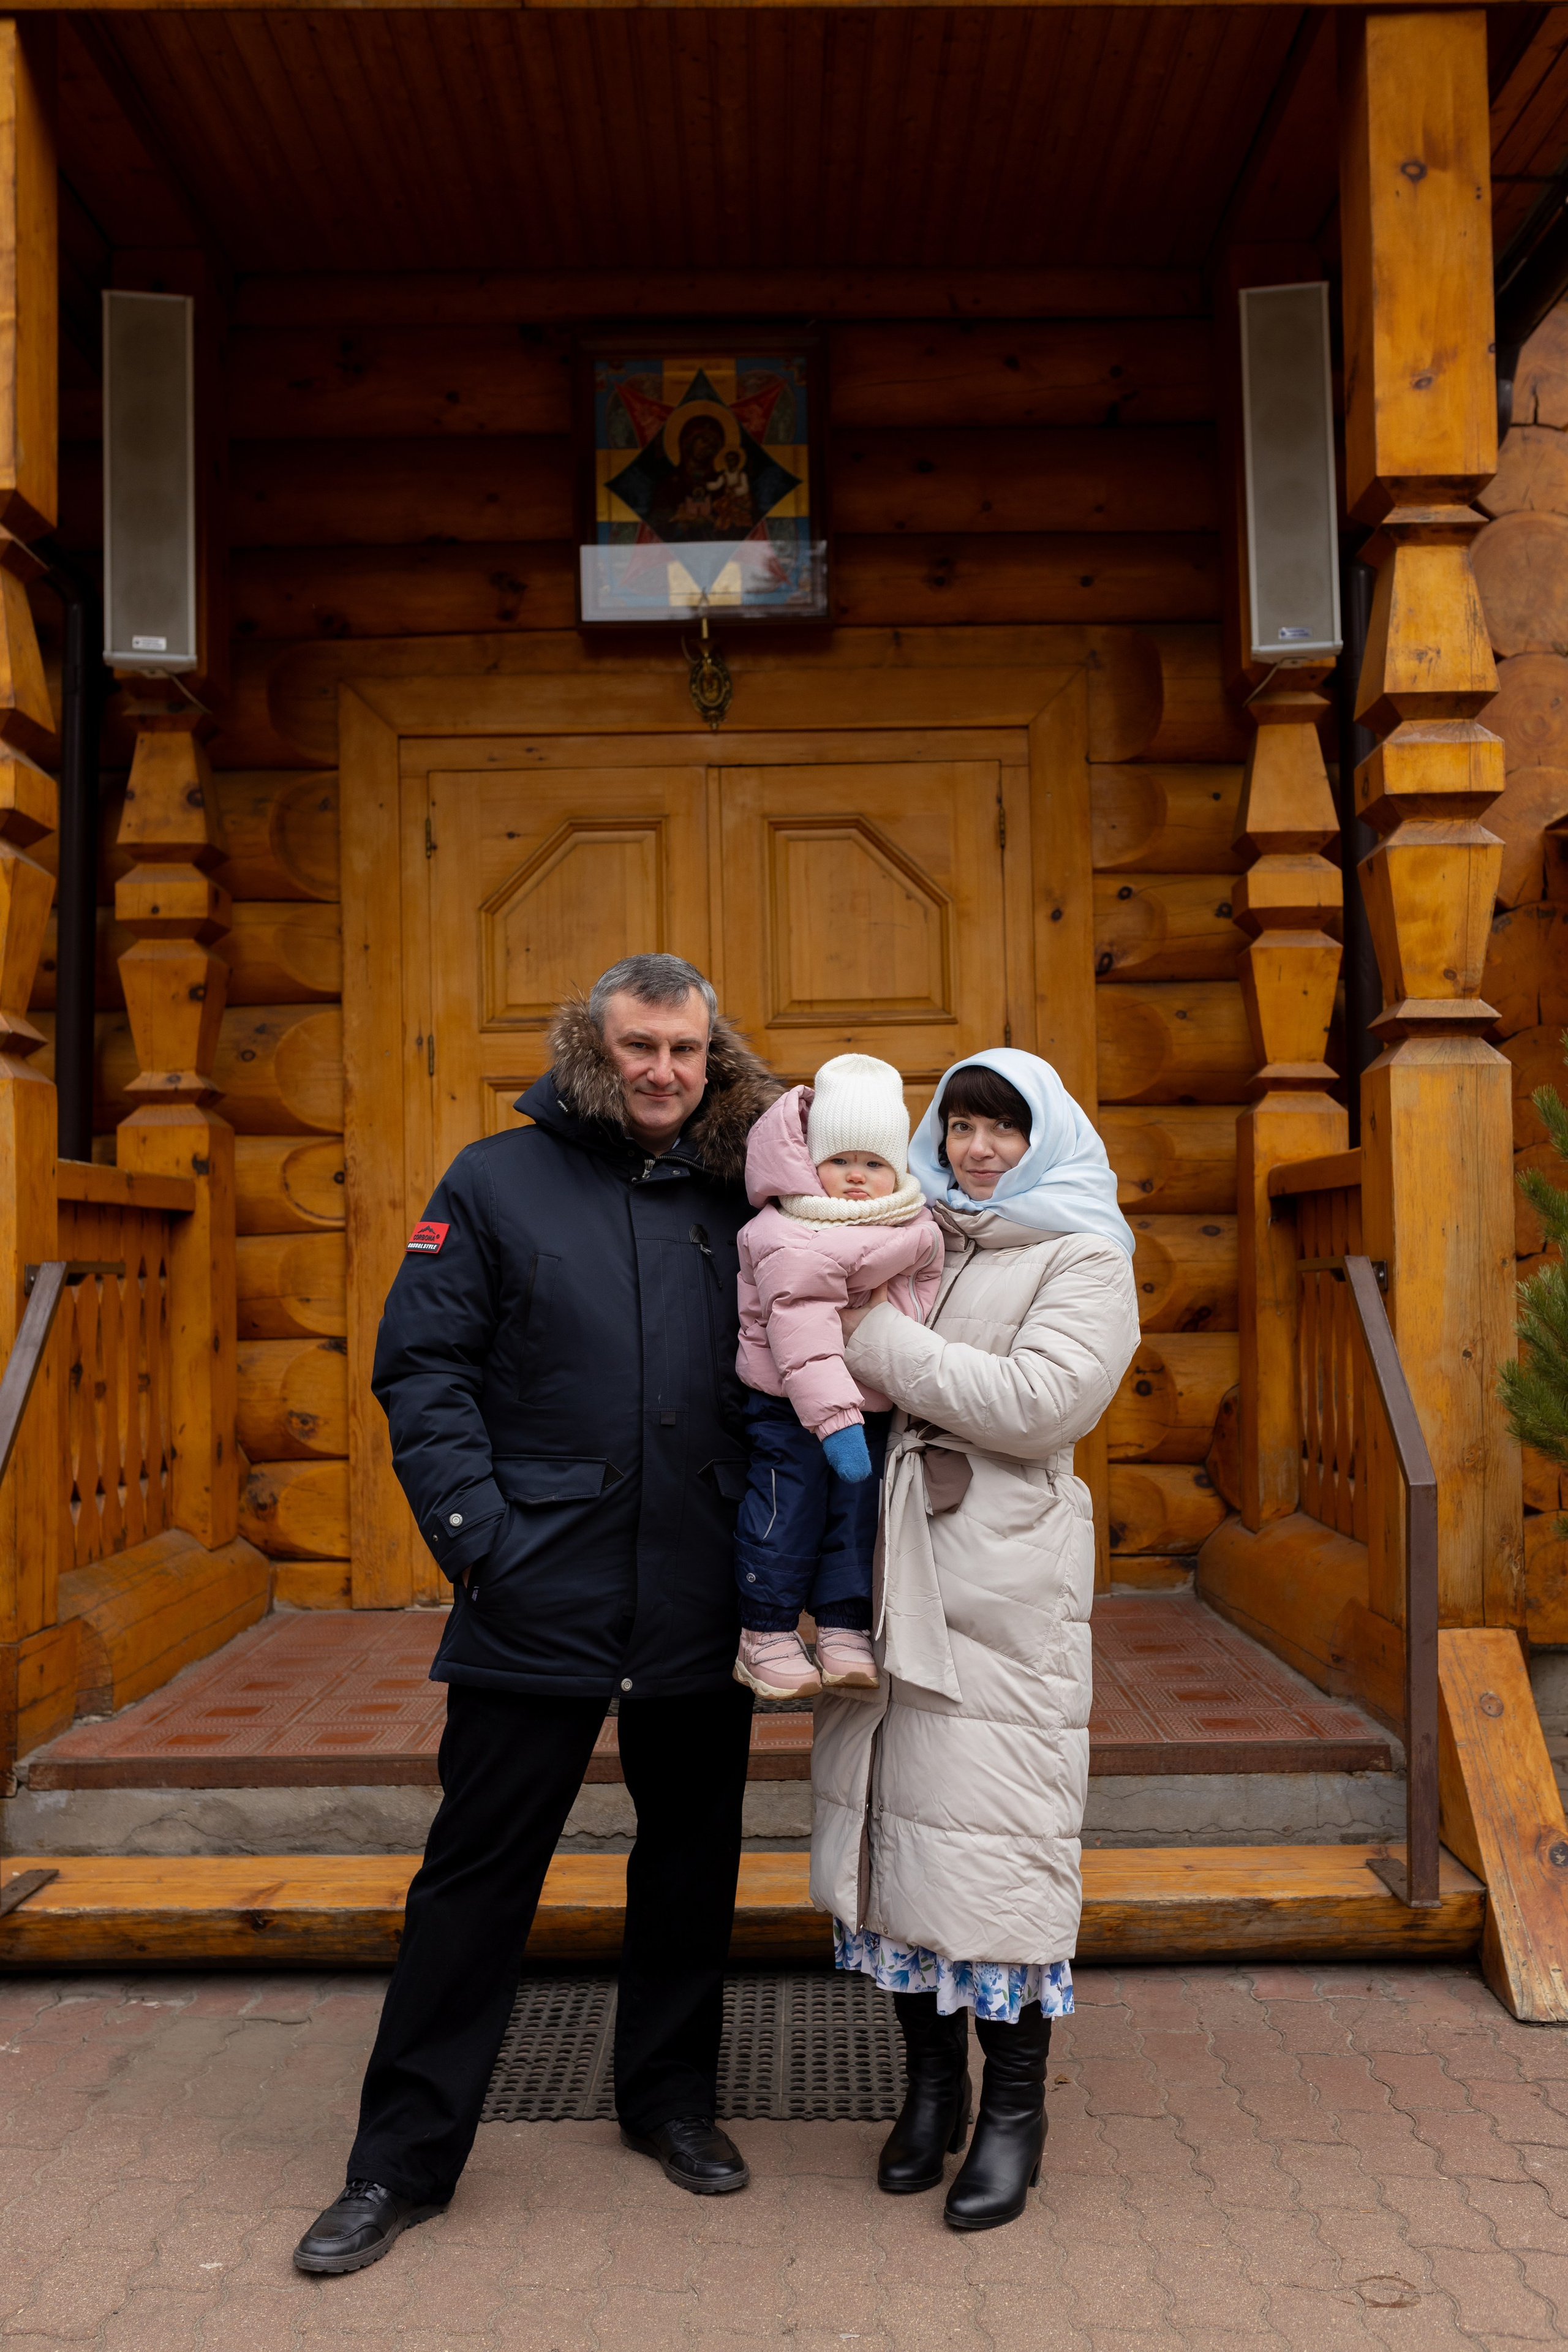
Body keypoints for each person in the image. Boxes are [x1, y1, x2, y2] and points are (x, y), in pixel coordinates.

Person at [293, 954, 780, 2276]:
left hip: (699, 1581)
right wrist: (479, 1541)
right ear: (590, 1047)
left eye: (684, 1050)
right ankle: (398, 2162)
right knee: (476, 1878)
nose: (663, 1072)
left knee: (689, 1862)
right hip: (536, 1583)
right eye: (638, 1048)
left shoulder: (753, 1189)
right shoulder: (492, 1181)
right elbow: (424, 1365)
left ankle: (671, 2100)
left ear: (712, 1056)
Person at [811, 1048, 1139, 2233]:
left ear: (1044, 1136)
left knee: (995, 1845)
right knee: (894, 1839)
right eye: (961, 1125)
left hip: (999, 1587)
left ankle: (1013, 2117)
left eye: (1004, 1128)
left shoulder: (1084, 1255)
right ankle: (929, 2092)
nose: (979, 1149)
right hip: (890, 1568)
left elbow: (1041, 1405)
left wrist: (870, 1343)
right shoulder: (917, 1234)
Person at [731, 1054, 943, 1701]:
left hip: (870, 1404)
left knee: (856, 1515)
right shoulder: (789, 1230)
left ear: (898, 1171)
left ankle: (844, 1624)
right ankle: (764, 1630)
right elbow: (802, 1335)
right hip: (794, 1408)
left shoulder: (913, 1225)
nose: (856, 1176)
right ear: (810, 1162)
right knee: (787, 1509)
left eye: (875, 1163)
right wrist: (834, 1423)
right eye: (841, 1160)